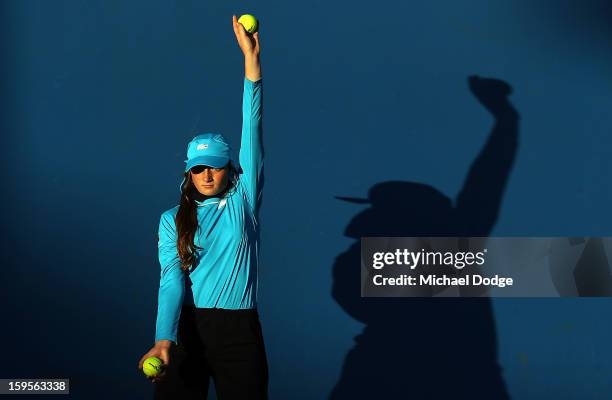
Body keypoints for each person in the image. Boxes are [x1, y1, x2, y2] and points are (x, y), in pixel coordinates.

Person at [138, 15, 267, 400]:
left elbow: (253, 124)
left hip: (239, 334)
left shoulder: (244, 199)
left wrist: (252, 59)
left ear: (231, 169)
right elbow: (172, 281)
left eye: (213, 165)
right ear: (188, 173)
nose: (206, 174)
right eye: (197, 168)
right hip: (187, 333)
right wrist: (164, 338)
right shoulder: (171, 220)